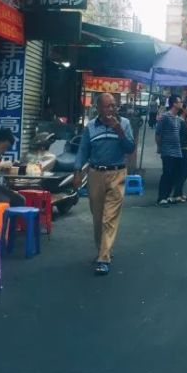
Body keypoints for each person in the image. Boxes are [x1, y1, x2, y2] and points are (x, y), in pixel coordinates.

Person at [76, 92, 136, 275]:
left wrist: (119, 131)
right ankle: (103, 249)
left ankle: (103, 258)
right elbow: (83, 150)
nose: (111, 109)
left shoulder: (124, 124)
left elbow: (130, 148)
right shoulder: (91, 127)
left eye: (113, 106)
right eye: (108, 106)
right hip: (95, 174)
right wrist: (77, 171)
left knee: (110, 217)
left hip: (117, 173)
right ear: (99, 108)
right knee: (98, 217)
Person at [155, 94, 184, 206]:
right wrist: (160, 147)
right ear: (174, 104)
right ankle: (161, 197)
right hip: (167, 150)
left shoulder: (178, 119)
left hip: (177, 150)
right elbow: (158, 133)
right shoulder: (165, 117)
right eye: (179, 102)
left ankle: (167, 196)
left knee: (174, 174)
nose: (181, 104)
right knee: (166, 173)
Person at [170, 104, 187, 203]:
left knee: (181, 172)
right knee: (184, 172)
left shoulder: (182, 121)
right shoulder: (181, 122)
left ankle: (179, 193)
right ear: (183, 110)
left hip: (183, 148)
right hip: (182, 148)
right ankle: (176, 194)